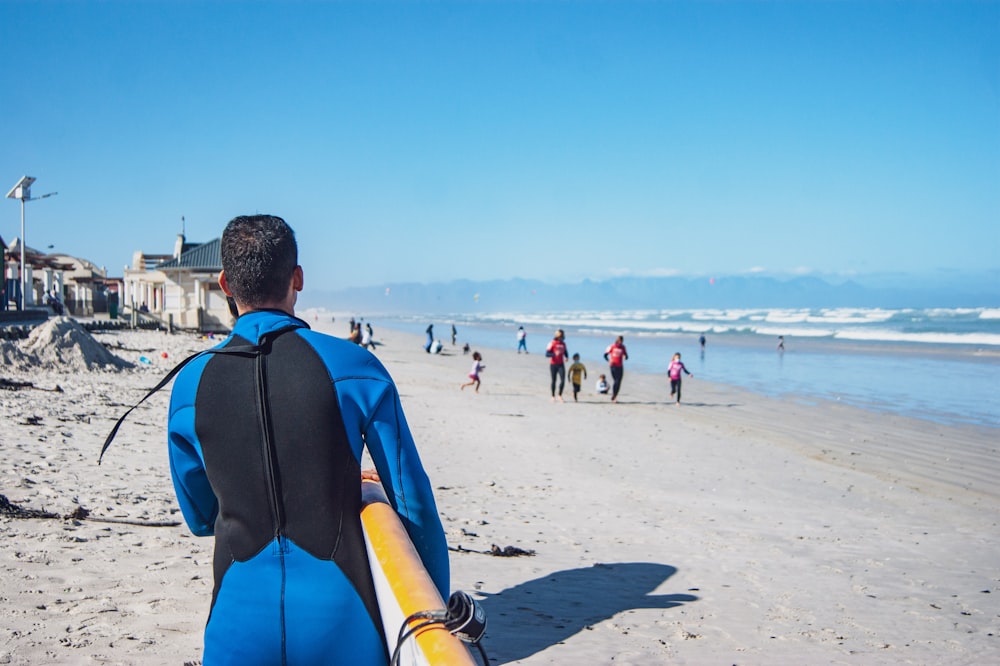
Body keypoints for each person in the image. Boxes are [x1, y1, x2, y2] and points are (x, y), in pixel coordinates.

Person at [166, 215, 448, 664]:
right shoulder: (356, 367)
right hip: (343, 622)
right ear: (297, 278)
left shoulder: (190, 386)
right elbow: (414, 505)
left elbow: (200, 517)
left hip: (235, 625)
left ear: (224, 283)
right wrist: (434, 617)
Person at [603, 335, 629, 403]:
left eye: (622, 341)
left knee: (618, 381)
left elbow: (626, 355)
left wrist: (625, 357)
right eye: (620, 341)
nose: (621, 342)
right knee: (616, 381)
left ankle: (614, 396)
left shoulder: (623, 347)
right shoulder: (612, 346)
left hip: (620, 366)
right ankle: (614, 396)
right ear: (617, 340)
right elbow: (605, 355)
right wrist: (609, 360)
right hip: (613, 366)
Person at [545, 329, 568, 402]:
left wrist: (566, 357)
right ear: (558, 336)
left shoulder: (563, 344)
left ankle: (560, 395)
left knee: (563, 380)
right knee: (554, 380)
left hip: (561, 364)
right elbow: (547, 354)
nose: (562, 337)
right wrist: (554, 354)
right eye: (561, 335)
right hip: (553, 364)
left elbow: (565, 352)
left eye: (563, 335)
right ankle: (553, 396)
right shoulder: (552, 343)